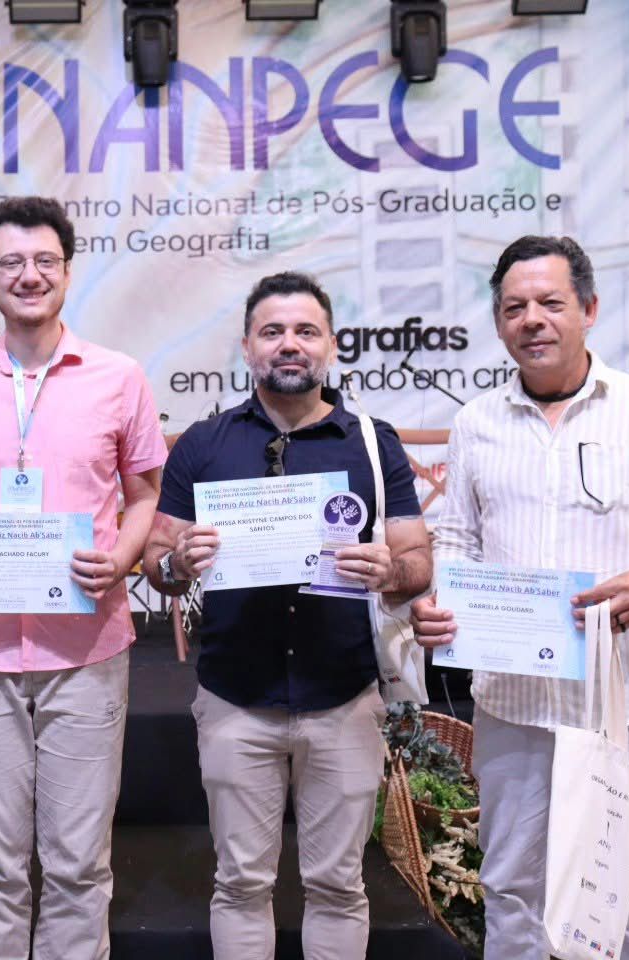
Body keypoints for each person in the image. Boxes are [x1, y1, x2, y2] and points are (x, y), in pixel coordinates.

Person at [410, 236, 629, 960]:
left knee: (625, 889)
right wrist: (441, 599)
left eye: (551, 303)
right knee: (512, 886)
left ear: (587, 309)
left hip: (623, 699)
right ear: (498, 324)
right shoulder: (476, 424)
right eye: (515, 307)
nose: (534, 320)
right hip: (513, 701)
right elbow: (454, 539)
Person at [143, 271, 432, 960]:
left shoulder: (371, 441)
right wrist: (179, 559)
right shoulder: (204, 445)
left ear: (330, 344)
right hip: (235, 701)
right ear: (247, 347)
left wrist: (392, 571)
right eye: (272, 332)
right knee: (240, 883)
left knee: (338, 884)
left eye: (305, 331)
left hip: (346, 696)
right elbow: (154, 565)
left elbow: (419, 559)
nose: (289, 345)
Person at [0, 196, 167, 960]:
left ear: (66, 271)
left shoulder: (119, 378)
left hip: (87, 646)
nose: (30, 275)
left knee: (79, 865)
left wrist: (123, 556)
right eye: (13, 263)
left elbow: (146, 495)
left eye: (45, 262)